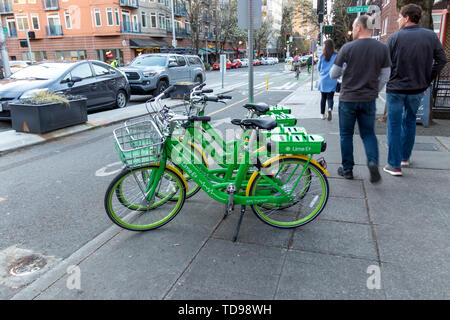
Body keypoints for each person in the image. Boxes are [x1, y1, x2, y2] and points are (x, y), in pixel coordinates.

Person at [383, 4, 447, 176]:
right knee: (410, 121)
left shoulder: (394, 38)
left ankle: (394, 165)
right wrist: (428, 78)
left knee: (394, 125)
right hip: (418, 88)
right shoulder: (430, 37)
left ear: (406, 18)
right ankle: (404, 158)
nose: (397, 20)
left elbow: (385, 64)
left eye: (399, 17)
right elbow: (442, 60)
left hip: (396, 89)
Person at [330, 15, 391, 184]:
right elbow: (386, 76)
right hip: (368, 99)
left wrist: (345, 71)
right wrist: (374, 89)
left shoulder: (347, 48)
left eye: (353, 27)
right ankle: (372, 162)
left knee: (346, 135)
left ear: (358, 27)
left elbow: (333, 73)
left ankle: (347, 169)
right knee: (368, 134)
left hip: (348, 98)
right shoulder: (382, 48)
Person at [317, 39, 338, 120]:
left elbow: (319, 68)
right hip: (332, 79)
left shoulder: (322, 56)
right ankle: (330, 109)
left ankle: (322, 114)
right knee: (330, 97)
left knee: (323, 98)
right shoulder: (336, 56)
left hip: (323, 80)